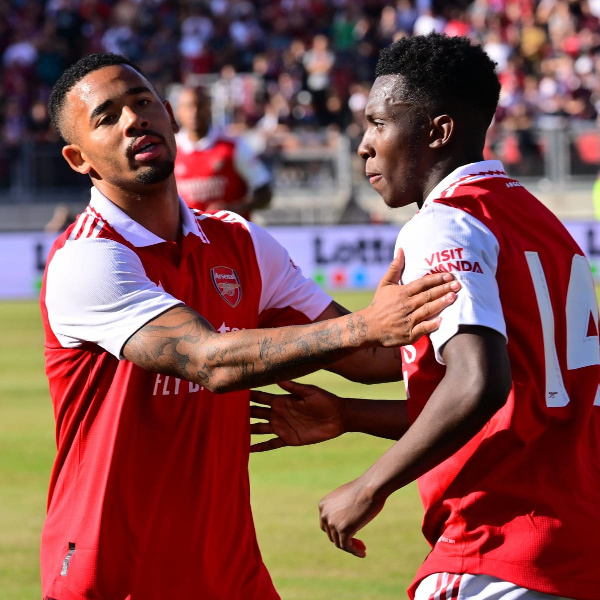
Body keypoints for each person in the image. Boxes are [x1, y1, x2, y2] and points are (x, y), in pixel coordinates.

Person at [40, 52, 461, 600]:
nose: (132, 120)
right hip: (114, 571)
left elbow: (375, 362)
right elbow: (207, 360)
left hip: (229, 572)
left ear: (168, 115)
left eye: (142, 103)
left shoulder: (240, 243)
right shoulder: (86, 259)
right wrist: (365, 325)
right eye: (107, 117)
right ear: (79, 159)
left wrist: (482, 329)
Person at [251, 33, 600, 600]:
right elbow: (515, 400)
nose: (363, 145)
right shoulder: (544, 225)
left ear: (437, 132)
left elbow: (478, 382)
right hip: (573, 547)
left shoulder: (445, 224)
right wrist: (348, 414)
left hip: (496, 545)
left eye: (378, 124)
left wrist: (370, 486)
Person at [174, 84, 272, 220]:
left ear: (209, 108)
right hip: (190, 239)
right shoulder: (171, 149)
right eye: (188, 106)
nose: (194, 112)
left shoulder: (233, 146)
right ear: (178, 111)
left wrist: (234, 209)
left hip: (232, 237)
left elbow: (265, 193)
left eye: (199, 105)